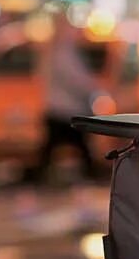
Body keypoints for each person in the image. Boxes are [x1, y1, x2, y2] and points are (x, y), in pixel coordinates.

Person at [32, 16, 103, 183]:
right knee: (77, 143)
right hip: (67, 109)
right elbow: (76, 80)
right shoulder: (63, 53)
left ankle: (41, 176)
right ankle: (90, 173)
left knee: (56, 145)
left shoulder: (52, 52)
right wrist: (94, 89)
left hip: (57, 106)